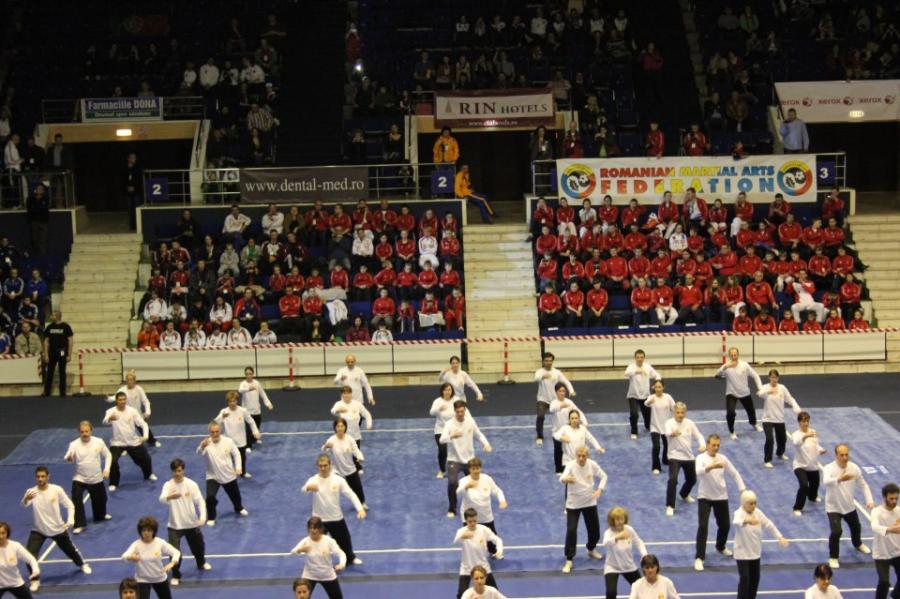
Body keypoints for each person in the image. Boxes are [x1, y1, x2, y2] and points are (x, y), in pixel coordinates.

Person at [20, 466, 90, 592]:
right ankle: (35, 580)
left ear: (48, 476)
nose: (40, 479)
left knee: (71, 551)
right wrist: (26, 499)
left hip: (57, 529)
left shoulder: (56, 490)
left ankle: (82, 564)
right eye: (38, 476)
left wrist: (70, 521)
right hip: (38, 530)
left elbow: (70, 505)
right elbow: (24, 505)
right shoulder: (31, 492)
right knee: (29, 556)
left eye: (43, 476)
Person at [301, 455, 366, 566]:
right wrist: (308, 488)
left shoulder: (338, 480)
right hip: (319, 519)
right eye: (320, 466)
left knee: (345, 541)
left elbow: (350, 494)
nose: (323, 468)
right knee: (316, 542)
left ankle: (350, 558)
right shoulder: (313, 480)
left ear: (330, 465)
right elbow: (303, 489)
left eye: (325, 465)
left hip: (336, 517)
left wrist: (360, 508)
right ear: (317, 466)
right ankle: (315, 561)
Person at [694, 434, 745, 571]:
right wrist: (712, 466)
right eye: (713, 445)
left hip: (721, 496)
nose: (716, 448)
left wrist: (742, 489)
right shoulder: (700, 458)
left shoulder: (723, 459)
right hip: (704, 496)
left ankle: (720, 546)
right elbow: (698, 472)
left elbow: (734, 473)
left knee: (725, 525)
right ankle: (699, 557)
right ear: (707, 444)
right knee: (703, 526)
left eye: (718, 445)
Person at [158, 458, 211, 586]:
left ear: (183, 470)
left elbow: (200, 501)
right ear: (172, 472)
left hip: (191, 524)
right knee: (174, 552)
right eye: (175, 471)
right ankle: (176, 575)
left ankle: (201, 562)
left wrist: (203, 517)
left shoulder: (191, 484)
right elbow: (162, 499)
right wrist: (170, 497)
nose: (177, 473)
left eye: (179, 470)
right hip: (174, 526)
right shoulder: (168, 485)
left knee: (198, 547)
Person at [823, 443, 874, 568]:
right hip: (833, 507)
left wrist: (869, 500)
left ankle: (858, 544)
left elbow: (863, 485)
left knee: (856, 527)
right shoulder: (829, 468)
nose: (845, 457)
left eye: (846, 454)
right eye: (842, 455)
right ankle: (833, 557)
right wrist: (840, 479)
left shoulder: (854, 468)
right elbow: (826, 482)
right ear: (836, 455)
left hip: (849, 506)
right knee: (836, 532)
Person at [733, 489, 789, 599]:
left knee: (755, 579)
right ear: (743, 503)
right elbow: (736, 522)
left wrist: (780, 537)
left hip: (755, 553)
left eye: (755, 503)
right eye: (751, 503)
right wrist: (747, 521)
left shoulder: (758, 513)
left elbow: (769, 524)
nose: (753, 506)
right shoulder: (738, 513)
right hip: (742, 554)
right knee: (745, 579)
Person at [560, 445, 607, 573]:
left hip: (590, 501)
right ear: (576, 456)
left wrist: (600, 489)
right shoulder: (570, 465)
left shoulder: (592, 465)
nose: (581, 459)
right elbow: (562, 478)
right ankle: (569, 559)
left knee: (595, 531)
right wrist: (566, 479)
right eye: (579, 456)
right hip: (573, 503)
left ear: (587, 456)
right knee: (571, 530)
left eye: (583, 456)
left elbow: (604, 476)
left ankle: (591, 548)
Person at [441, 400, 492, 518]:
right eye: (458, 411)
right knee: (452, 483)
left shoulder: (470, 421)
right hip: (454, 460)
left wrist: (486, 444)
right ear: (454, 411)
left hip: (469, 460)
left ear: (465, 410)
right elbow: (442, 439)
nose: (460, 413)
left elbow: (479, 434)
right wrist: (452, 436)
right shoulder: (449, 424)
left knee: (475, 483)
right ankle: (452, 508)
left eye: (462, 411)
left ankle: (474, 505)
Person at [64, 421, 112, 534]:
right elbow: (68, 454)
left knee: (101, 500)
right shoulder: (74, 444)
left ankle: (100, 515)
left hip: (96, 478)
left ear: (91, 431)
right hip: (79, 478)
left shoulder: (98, 442)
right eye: (82, 432)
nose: (84, 434)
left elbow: (108, 455)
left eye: (87, 431)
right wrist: (69, 457)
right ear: (79, 432)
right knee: (76, 499)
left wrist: (107, 469)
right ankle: (79, 524)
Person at [197, 422, 248, 526]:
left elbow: (236, 453)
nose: (215, 434)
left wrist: (238, 467)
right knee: (210, 497)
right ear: (209, 432)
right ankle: (211, 517)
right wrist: (202, 446)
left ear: (220, 431)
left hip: (228, 475)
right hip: (213, 476)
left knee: (235, 496)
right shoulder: (206, 443)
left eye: (217, 431)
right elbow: (198, 452)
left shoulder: (228, 442)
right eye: (212, 432)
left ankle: (239, 508)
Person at [103, 392, 155, 491]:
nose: (122, 402)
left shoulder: (132, 411)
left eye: (124, 399)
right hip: (117, 443)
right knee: (112, 461)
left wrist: (145, 436)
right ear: (116, 401)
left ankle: (148, 475)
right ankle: (113, 483)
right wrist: (110, 418)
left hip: (133, 442)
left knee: (146, 458)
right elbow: (104, 421)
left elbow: (143, 424)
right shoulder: (110, 411)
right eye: (120, 400)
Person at [456, 457, 507, 557]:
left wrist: (502, 500)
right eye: (473, 469)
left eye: (477, 468)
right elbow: (456, 493)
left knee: (491, 539)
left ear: (480, 468)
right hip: (469, 517)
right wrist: (466, 487)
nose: (476, 471)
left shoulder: (487, 479)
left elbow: (497, 491)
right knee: (470, 539)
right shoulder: (464, 481)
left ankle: (495, 552)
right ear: (469, 470)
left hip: (486, 515)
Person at [121, 516, 179, 599]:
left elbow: (176, 552)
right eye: (143, 530)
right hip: (142, 579)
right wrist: (131, 557)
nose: (146, 533)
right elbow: (124, 556)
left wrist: (172, 563)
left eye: (149, 530)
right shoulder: (136, 544)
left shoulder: (160, 542)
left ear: (153, 531)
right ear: (140, 532)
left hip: (159, 578)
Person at [665, 402, 706, 516]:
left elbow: (699, 436)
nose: (680, 415)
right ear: (674, 412)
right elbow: (667, 432)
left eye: (682, 413)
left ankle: (684, 494)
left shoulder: (690, 423)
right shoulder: (669, 423)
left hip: (688, 456)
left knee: (692, 480)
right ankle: (670, 505)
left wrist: (702, 445)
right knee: (672, 480)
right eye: (678, 412)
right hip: (674, 456)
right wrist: (672, 433)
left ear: (685, 413)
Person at [715, 347, 763, 439]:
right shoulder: (726, 366)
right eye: (732, 355)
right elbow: (717, 374)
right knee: (730, 413)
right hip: (731, 393)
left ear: (738, 355)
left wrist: (760, 388)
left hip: (744, 392)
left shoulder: (744, 365)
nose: (734, 356)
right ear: (729, 356)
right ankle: (732, 431)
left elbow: (755, 375)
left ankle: (754, 424)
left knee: (751, 411)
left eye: (735, 355)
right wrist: (725, 367)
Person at [292, 516, 346, 599]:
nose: (313, 530)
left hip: (327, 575)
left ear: (320, 529)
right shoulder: (306, 541)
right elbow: (293, 552)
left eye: (315, 528)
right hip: (309, 575)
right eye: (310, 528)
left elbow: (341, 554)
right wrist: (300, 550)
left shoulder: (328, 541)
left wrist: (342, 564)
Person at [454, 508, 503, 599]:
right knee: (461, 594)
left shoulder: (484, 530)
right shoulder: (461, 531)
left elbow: (497, 540)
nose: (472, 523)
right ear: (466, 520)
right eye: (470, 521)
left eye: (474, 521)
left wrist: (499, 551)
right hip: (466, 568)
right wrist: (462, 536)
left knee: (495, 592)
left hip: (484, 568)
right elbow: (455, 540)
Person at [757, 369, 802, 467]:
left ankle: (780, 453)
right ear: (769, 378)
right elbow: (759, 394)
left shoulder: (782, 388)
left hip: (779, 419)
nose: (774, 379)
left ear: (778, 378)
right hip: (767, 419)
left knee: (782, 439)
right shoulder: (765, 387)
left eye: (776, 377)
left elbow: (790, 399)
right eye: (772, 377)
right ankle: (767, 460)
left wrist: (796, 408)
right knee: (770, 439)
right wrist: (769, 391)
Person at [601, 506, 648, 599]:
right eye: (617, 519)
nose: (620, 522)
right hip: (612, 566)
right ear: (612, 520)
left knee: (642, 589)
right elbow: (605, 543)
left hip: (628, 566)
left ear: (625, 519)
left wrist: (644, 555)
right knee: (611, 593)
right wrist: (617, 537)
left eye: (621, 519)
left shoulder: (629, 530)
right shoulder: (608, 532)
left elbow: (638, 542)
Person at [322, 417, 367, 509]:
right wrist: (326, 446)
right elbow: (324, 449)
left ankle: (362, 503)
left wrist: (360, 457)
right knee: (332, 488)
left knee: (358, 488)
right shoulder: (331, 439)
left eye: (342, 426)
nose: (340, 428)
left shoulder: (350, 439)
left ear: (345, 427)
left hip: (350, 469)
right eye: (338, 426)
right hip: (336, 470)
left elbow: (356, 451)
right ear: (335, 428)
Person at [107, 370, 159, 448]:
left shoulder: (139, 389)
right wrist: (107, 398)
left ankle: (152, 441)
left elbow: (145, 401)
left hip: (137, 414)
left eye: (131, 380)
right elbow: (114, 398)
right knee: (124, 431)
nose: (129, 381)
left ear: (134, 380)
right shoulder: (122, 390)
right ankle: (122, 446)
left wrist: (148, 411)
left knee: (144, 428)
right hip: (126, 414)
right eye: (127, 380)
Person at [215, 391, 261, 478]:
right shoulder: (224, 411)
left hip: (241, 441)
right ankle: (227, 473)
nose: (232, 403)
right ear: (227, 402)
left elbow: (251, 421)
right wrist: (222, 417)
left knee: (242, 457)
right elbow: (215, 423)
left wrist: (256, 432)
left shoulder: (243, 411)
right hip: (228, 441)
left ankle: (242, 472)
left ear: (237, 401)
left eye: (234, 401)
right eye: (230, 401)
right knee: (227, 459)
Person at [533, 352, 575, 447]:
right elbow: (536, 378)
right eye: (546, 361)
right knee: (540, 416)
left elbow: (566, 382)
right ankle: (540, 437)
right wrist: (544, 376)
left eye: (550, 361)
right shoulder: (540, 371)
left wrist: (571, 391)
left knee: (563, 416)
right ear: (543, 361)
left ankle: (566, 432)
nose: (549, 362)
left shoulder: (557, 373)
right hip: (542, 400)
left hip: (555, 401)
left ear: (552, 361)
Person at [330, 385, 373, 473]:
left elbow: (367, 414)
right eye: (344, 393)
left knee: (355, 453)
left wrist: (369, 424)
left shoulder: (357, 404)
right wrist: (337, 410)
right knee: (343, 453)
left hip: (355, 435)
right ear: (341, 395)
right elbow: (333, 411)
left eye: (348, 393)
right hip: (343, 435)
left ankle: (357, 467)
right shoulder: (339, 404)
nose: (346, 395)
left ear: (351, 394)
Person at [792, 412, 827, 516]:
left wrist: (821, 450)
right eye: (803, 421)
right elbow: (796, 443)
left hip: (812, 465)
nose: (806, 423)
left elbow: (816, 445)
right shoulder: (796, 434)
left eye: (807, 421)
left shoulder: (813, 432)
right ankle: (797, 508)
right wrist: (805, 436)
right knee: (804, 486)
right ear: (799, 422)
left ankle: (812, 497)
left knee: (815, 484)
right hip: (800, 466)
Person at [548, 382, 587, 474]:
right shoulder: (553, 403)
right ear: (556, 392)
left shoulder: (570, 402)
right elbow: (552, 409)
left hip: (568, 431)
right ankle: (558, 469)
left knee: (568, 450)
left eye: (564, 391)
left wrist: (584, 422)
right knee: (558, 451)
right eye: (560, 391)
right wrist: (561, 405)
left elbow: (578, 412)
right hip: (557, 432)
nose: (562, 393)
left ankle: (571, 467)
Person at [871, 482, 900, 599]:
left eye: (896, 498)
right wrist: (889, 529)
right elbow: (874, 527)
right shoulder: (876, 512)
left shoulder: (899, 511)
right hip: (881, 554)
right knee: (884, 582)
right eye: (891, 498)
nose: (894, 501)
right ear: (884, 498)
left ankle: (896, 595)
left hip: (897, 552)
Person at [624, 350, 661, 440]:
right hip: (633, 395)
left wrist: (657, 383)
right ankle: (634, 431)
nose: (639, 359)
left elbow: (657, 375)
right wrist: (637, 371)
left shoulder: (648, 367)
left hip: (645, 396)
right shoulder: (631, 367)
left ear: (644, 358)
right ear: (635, 358)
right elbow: (626, 373)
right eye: (638, 357)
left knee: (647, 414)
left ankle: (648, 426)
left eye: (641, 357)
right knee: (634, 414)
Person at [0, 521, 40, 598]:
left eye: (3, 533)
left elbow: (31, 559)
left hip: (15, 583)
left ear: (7, 534)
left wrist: (35, 571)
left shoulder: (15, 546)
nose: (0, 536)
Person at [238, 366, 273, 449]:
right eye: (247, 374)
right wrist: (249, 388)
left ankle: (254, 439)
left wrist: (268, 403)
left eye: (250, 374)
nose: (248, 375)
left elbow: (262, 394)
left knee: (257, 425)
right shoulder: (243, 384)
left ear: (253, 374)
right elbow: (240, 390)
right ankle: (248, 446)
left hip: (257, 410)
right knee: (248, 429)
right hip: (247, 411)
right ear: (245, 375)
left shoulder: (257, 383)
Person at [644, 380, 675, 475]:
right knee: (656, 446)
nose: (658, 389)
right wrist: (649, 401)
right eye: (656, 387)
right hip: (655, 427)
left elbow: (674, 408)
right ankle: (656, 467)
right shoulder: (651, 397)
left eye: (660, 387)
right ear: (654, 388)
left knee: (667, 445)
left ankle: (665, 459)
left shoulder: (668, 397)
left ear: (663, 388)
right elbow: (646, 403)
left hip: (666, 427)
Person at [42, 311, 72, 397]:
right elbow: (46, 341)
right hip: (51, 352)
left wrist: (69, 354)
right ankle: (47, 392)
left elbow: (70, 341)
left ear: (57, 316)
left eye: (52, 315)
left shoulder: (66, 327)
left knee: (62, 373)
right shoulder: (49, 327)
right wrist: (46, 354)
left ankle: (62, 392)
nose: (51, 316)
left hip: (62, 352)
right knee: (49, 373)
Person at [123, 153, 142, 230]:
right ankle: (132, 225)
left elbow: (139, 180)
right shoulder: (124, 168)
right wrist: (127, 187)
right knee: (130, 209)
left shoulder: (137, 168)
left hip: (136, 191)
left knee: (136, 208)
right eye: (132, 158)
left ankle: (138, 225)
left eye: (135, 158)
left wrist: (134, 187)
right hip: (127, 192)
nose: (134, 159)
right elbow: (122, 180)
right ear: (128, 159)